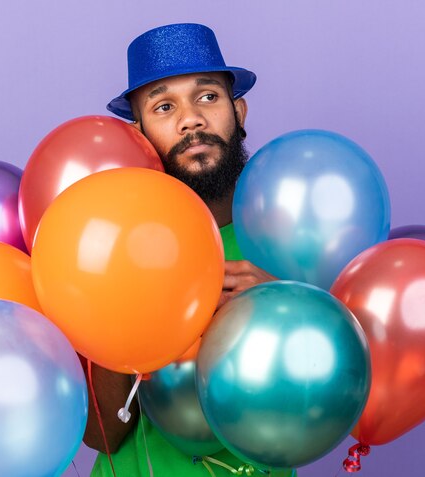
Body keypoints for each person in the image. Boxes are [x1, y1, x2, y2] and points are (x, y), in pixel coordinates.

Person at [84, 23, 295, 477]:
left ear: (239, 111)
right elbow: (103, 434)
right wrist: (118, 312)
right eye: (164, 106)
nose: (191, 119)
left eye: (207, 97)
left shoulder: (292, 237)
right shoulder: (112, 242)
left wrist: (284, 308)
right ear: (138, 134)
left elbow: (333, 394)